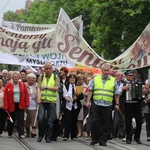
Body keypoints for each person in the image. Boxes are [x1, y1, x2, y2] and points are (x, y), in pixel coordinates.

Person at [86, 63, 120, 146]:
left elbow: (116, 93)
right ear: (101, 70)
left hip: (107, 104)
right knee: (95, 122)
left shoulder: (113, 80)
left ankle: (103, 140)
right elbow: (90, 90)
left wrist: (117, 104)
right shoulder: (95, 79)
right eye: (105, 70)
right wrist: (88, 101)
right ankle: (95, 138)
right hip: (96, 103)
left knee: (106, 123)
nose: (106, 72)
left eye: (108, 70)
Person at [37, 62, 59, 143]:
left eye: (50, 68)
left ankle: (48, 137)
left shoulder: (55, 77)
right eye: (47, 68)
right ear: (44, 69)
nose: (48, 70)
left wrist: (46, 87)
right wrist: (38, 98)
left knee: (50, 121)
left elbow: (56, 88)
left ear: (52, 69)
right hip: (42, 101)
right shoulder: (41, 77)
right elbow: (39, 88)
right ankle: (40, 135)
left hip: (51, 101)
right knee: (40, 119)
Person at [4, 71, 29, 139]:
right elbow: (5, 97)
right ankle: (10, 132)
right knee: (11, 119)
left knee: (21, 119)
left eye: (17, 77)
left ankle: (21, 133)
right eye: (14, 77)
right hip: (11, 104)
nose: (16, 78)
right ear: (12, 78)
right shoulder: (8, 85)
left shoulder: (23, 85)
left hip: (20, 104)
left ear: (19, 77)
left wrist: (27, 104)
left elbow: (26, 95)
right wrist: (6, 106)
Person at [122, 71, 143, 144]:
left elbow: (142, 93)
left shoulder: (138, 83)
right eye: (130, 75)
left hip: (137, 104)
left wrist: (143, 93)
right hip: (128, 104)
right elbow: (117, 92)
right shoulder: (123, 83)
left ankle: (137, 137)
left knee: (139, 121)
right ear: (126, 76)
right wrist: (123, 89)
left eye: (132, 75)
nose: (132, 77)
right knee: (128, 122)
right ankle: (128, 138)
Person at [63, 74, 84, 141]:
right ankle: (66, 135)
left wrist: (78, 94)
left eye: (73, 78)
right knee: (67, 120)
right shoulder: (65, 86)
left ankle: (73, 135)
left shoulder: (77, 87)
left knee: (74, 120)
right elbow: (63, 95)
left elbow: (81, 97)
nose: (72, 79)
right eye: (71, 78)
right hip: (67, 105)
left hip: (75, 106)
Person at [25, 73, 38, 138]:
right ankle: (27, 131)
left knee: (33, 117)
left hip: (33, 103)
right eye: (29, 80)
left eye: (32, 80)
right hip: (25, 103)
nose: (30, 81)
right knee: (27, 118)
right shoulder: (24, 85)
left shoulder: (36, 86)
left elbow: (38, 93)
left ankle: (33, 130)